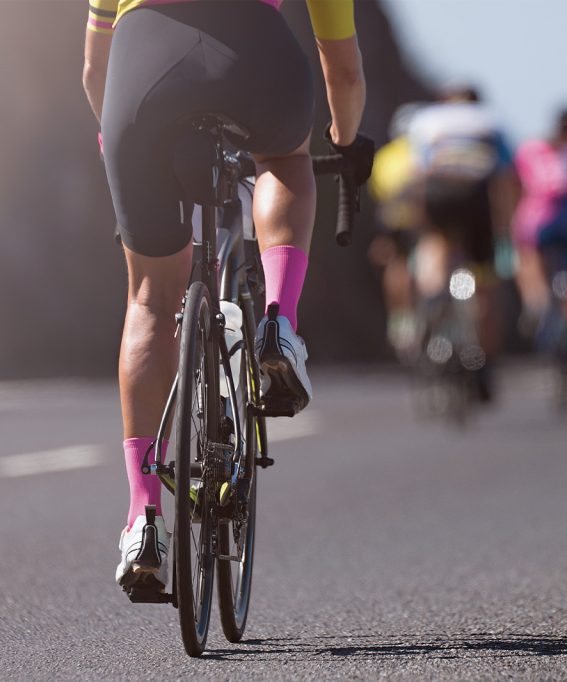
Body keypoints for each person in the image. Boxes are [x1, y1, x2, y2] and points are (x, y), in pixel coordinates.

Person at [83, 0, 373, 593]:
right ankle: (278, 324)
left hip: (143, 71)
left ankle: (143, 518)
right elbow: (343, 73)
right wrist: (344, 143)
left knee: (148, 298)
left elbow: (94, 71)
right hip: (256, 61)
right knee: (284, 161)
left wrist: (127, 144)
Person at [407, 86, 519, 401]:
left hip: (439, 190)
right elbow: (504, 178)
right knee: (484, 283)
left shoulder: (429, 119)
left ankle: (432, 299)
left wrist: (422, 225)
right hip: (475, 191)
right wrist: (503, 226)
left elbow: (418, 173)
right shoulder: (491, 120)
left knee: (436, 244)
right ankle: (483, 364)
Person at [512, 108, 567, 382]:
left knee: (528, 260)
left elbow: (517, 185)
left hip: (537, 221)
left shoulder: (531, 150)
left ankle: (536, 303)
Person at [367, 104, 425, 361]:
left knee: (395, 265)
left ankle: (400, 319)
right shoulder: (425, 151)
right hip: (424, 221)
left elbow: (379, 196)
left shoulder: (385, 158)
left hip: (394, 222)